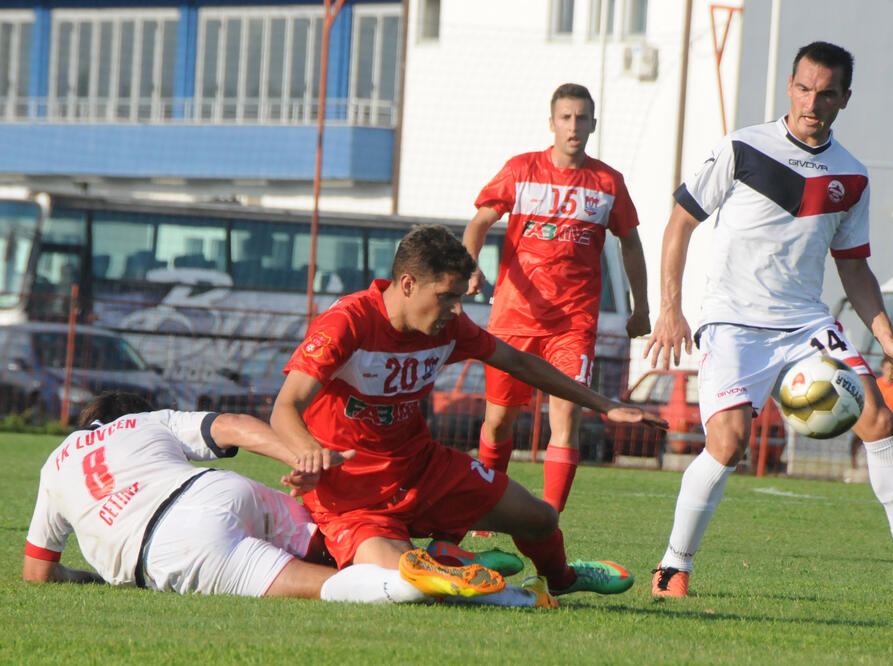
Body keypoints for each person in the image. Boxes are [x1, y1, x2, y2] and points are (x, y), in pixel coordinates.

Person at [643, 42, 893, 610]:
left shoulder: (852, 175)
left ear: (844, 98)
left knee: (877, 418)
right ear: (789, 86)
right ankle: (674, 563)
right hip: (733, 322)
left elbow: (854, 267)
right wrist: (670, 308)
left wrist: (887, 336)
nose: (811, 102)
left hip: (804, 324)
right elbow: (679, 223)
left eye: (825, 93)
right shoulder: (743, 146)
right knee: (729, 443)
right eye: (803, 88)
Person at [271, 224, 665, 602]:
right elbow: (285, 408)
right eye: (446, 296)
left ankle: (562, 579)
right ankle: (453, 561)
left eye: (460, 297)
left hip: (422, 470)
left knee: (540, 518)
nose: (456, 309)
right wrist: (309, 452)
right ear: (408, 284)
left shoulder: (448, 328)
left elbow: (521, 363)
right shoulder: (348, 323)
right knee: (408, 582)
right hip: (353, 495)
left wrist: (606, 405)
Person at [23, 391, 519, 606]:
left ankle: (436, 585)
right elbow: (236, 427)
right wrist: (304, 458)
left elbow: (38, 573)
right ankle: (441, 556)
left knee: (332, 587)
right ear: (124, 415)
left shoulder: (53, 467)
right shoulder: (144, 421)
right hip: (215, 489)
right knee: (337, 538)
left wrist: (85, 574)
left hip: (170, 551)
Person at [462, 82, 651, 513]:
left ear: (593, 124)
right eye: (565, 117)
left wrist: (641, 307)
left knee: (565, 420)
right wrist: (470, 265)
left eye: (582, 118)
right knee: (498, 421)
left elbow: (632, 244)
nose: (573, 126)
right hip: (514, 318)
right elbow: (478, 223)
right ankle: (488, 511)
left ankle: (547, 523)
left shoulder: (607, 183)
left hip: (572, 325)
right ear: (551, 123)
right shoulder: (521, 170)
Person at [852, 357, 893, 467]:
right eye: (888, 368)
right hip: (874, 424)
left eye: (892, 369)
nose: (890, 372)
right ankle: (859, 467)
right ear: (883, 369)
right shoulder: (875, 385)